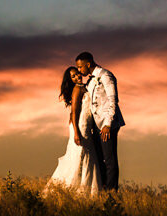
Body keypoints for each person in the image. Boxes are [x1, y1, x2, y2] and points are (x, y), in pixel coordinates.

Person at [75, 51, 125, 190]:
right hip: (96, 126)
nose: (79, 70)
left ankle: (111, 192)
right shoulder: (90, 80)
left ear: (88, 64)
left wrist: (107, 124)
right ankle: (102, 188)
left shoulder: (106, 76)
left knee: (109, 159)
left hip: (107, 124)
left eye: (80, 67)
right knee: (98, 158)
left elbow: (112, 100)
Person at [46, 65, 98, 194]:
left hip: (85, 124)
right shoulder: (77, 89)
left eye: (77, 74)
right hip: (80, 126)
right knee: (80, 155)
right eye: (73, 76)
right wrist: (76, 132)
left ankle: (81, 188)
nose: (77, 77)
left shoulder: (83, 87)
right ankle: (74, 189)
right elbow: (74, 112)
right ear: (70, 80)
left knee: (84, 155)